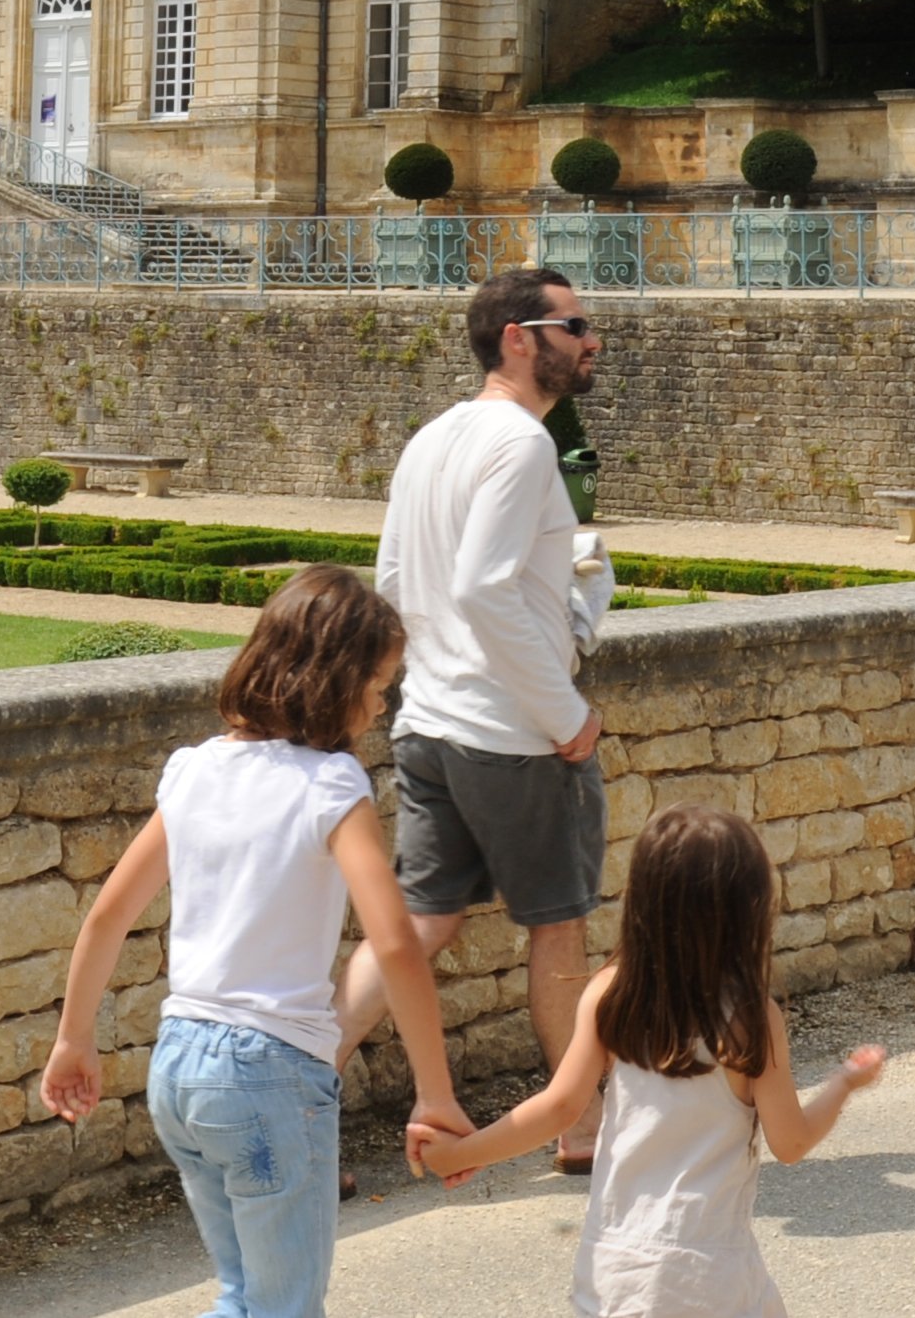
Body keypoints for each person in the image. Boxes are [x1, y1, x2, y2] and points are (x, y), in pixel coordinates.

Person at [39, 564, 469, 1318]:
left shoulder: (195, 771)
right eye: (377, 684)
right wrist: (435, 1093)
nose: (380, 704)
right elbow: (396, 945)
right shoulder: (331, 786)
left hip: (179, 1068)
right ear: (336, 681)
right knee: (283, 1306)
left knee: (248, 1297)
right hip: (268, 1077)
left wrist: (74, 1038)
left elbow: (107, 915)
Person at [336, 263, 610, 1167]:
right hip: (512, 734)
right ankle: (579, 1127)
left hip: (430, 724)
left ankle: (298, 1085)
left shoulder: (433, 437)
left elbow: (393, 583)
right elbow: (484, 588)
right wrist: (563, 711)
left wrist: (429, 676)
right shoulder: (523, 445)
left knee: (417, 922)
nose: (591, 340)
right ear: (518, 339)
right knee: (557, 923)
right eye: (573, 326)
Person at [415, 805, 886, 1316]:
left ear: (643, 902)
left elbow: (557, 1110)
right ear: (747, 910)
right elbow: (790, 1142)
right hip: (710, 1274)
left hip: (615, 1269)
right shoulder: (750, 1017)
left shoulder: (609, 994)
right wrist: (843, 1084)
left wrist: (460, 1153)